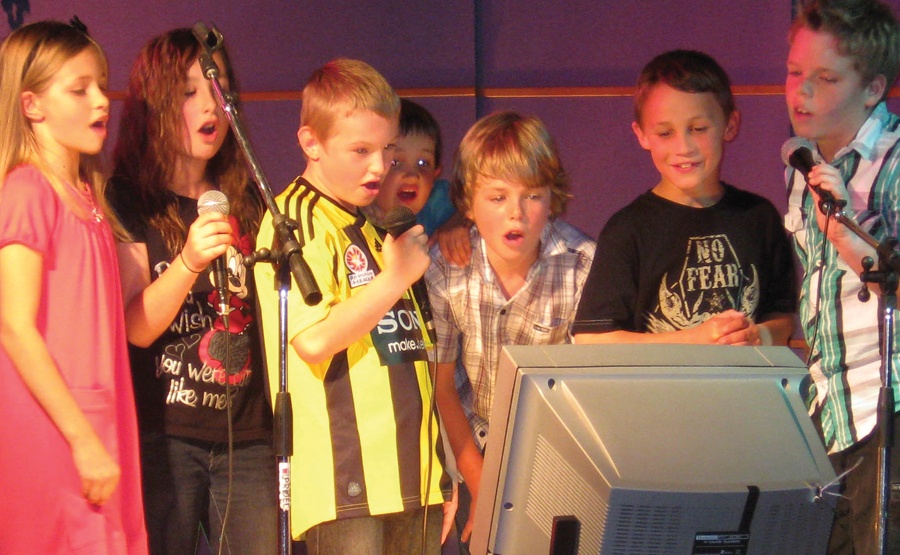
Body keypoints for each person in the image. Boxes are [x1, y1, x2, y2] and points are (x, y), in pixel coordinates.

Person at [254, 58, 451, 554]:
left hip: (415, 477)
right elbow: (313, 339)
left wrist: (438, 473)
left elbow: (410, 356)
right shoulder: (293, 219)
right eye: (361, 150)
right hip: (348, 482)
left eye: (387, 149)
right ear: (311, 143)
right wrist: (395, 279)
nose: (379, 167)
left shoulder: (373, 225)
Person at [107, 29, 276, 555]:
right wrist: (188, 262)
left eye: (218, 86)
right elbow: (136, 326)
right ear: (156, 104)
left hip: (248, 436)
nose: (210, 105)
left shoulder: (247, 197)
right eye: (188, 92)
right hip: (167, 433)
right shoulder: (129, 197)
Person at [0, 19, 148, 554]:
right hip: (59, 430)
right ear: (32, 104)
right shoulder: (27, 190)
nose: (101, 101)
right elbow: (15, 326)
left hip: (99, 419)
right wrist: (82, 439)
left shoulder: (86, 196)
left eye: (101, 86)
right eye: (79, 89)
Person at [425, 111, 596, 549]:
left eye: (532, 195)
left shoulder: (583, 266)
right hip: (473, 444)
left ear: (553, 198)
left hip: (557, 449)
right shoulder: (445, 269)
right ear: (468, 204)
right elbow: (442, 387)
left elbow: (588, 392)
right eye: (497, 197)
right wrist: (481, 483)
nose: (516, 213)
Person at [573, 50, 796, 347]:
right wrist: (693, 340)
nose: (684, 147)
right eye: (666, 133)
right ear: (642, 135)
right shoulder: (627, 230)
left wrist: (758, 336)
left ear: (730, 125)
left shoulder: (758, 217)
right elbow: (591, 338)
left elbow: (783, 316)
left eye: (698, 129)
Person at [782, 1, 900, 552]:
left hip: (889, 409)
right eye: (794, 73)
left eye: (826, 79)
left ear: (872, 88)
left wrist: (849, 237)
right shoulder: (805, 165)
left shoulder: (894, 162)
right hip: (831, 413)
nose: (801, 92)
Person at [366, 97, 473, 267]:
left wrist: (457, 222)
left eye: (423, 163)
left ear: (436, 173)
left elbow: (477, 204)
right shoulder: (358, 215)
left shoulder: (437, 201)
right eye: (395, 162)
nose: (412, 175)